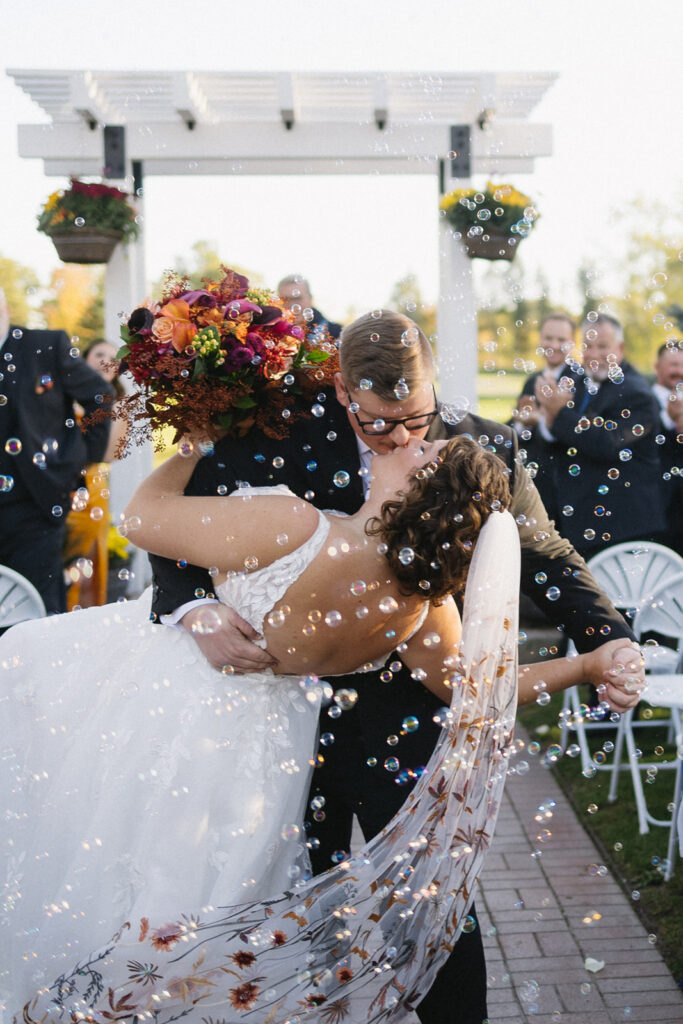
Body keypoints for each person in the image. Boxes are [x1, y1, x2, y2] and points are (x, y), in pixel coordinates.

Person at [1, 431, 642, 1016]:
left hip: (165, 710)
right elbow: (480, 687)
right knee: (203, 907)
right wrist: (584, 664)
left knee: (90, 857)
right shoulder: (417, 607)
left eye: (428, 449)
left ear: (421, 484)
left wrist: (193, 443)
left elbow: (140, 517)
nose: (413, 439)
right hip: (263, 758)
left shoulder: (296, 525)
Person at [150, 309, 642, 1024]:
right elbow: (176, 526)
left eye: (416, 419)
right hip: (276, 708)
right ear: (344, 392)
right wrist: (193, 608)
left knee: (430, 898)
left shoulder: (480, 448)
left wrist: (608, 638)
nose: (403, 439)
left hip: (406, 704)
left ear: (434, 386)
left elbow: (547, 556)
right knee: (286, 894)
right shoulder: (276, 429)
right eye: (378, 424)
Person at [0, 287, 113, 613]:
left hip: (37, 501)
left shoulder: (45, 346)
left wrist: (82, 459)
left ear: (5, 307)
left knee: (39, 610)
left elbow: (100, 396)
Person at [533, 313, 665, 559]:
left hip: (623, 526)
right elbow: (559, 440)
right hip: (579, 520)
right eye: (588, 346)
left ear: (621, 348)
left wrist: (557, 413)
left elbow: (607, 442)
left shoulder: (636, 393)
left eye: (603, 347)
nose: (593, 355)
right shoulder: (576, 382)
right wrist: (548, 418)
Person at [62, 339, 128, 608]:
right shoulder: (63, 396)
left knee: (85, 565)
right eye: (98, 354)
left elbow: (110, 455)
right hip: (56, 485)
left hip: (90, 490)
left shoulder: (118, 406)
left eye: (112, 358)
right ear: (84, 360)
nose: (104, 361)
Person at [510, 312, 577, 520]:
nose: (553, 345)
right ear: (540, 339)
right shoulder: (532, 381)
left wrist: (541, 419)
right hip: (534, 483)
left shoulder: (580, 380)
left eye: (561, 340)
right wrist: (521, 423)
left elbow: (575, 431)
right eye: (548, 338)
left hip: (566, 486)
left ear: (572, 343)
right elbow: (518, 428)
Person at [651, 341, 683, 554]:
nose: (679, 371)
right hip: (656, 507)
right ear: (657, 367)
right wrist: (667, 419)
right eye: (673, 365)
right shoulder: (642, 399)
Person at [278, 273, 342, 340]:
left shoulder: (338, 334)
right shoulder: (272, 335)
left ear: (310, 299)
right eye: (285, 300)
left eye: (297, 299)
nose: (292, 305)